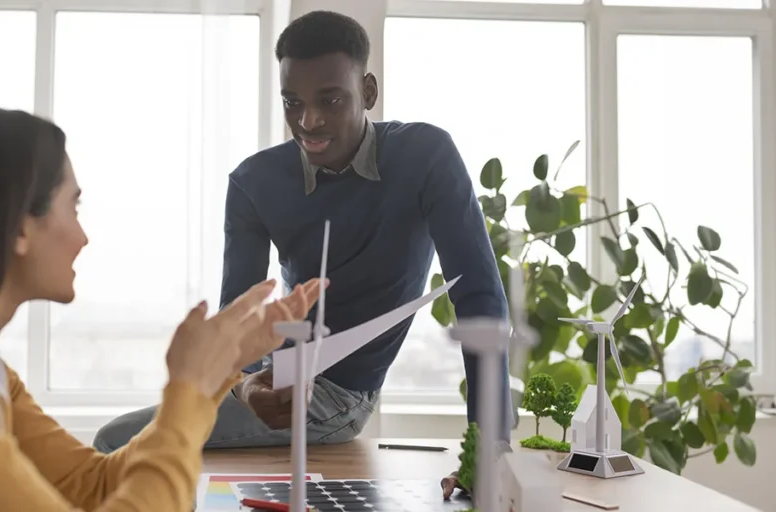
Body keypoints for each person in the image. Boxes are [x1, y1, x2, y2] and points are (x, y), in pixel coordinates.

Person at [0, 107, 322, 512]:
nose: (83, 237)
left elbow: (91, 485)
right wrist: (188, 390)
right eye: (74, 207)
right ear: (18, 227)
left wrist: (215, 372)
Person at [93, 9, 513, 454]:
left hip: (339, 398)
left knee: (114, 442)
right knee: (120, 442)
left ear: (367, 92)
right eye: (293, 102)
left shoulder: (426, 156)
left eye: (330, 101)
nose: (308, 121)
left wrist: (489, 453)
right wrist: (249, 386)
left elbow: (481, 301)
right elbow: (241, 322)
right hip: (274, 382)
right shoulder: (253, 183)